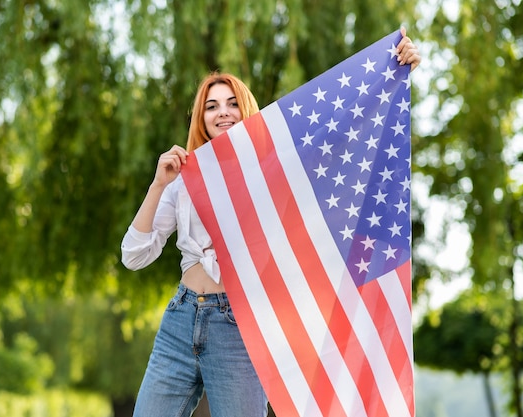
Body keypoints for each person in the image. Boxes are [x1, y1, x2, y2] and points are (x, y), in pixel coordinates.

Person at [121, 28, 421, 417]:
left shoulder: (275, 175)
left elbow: (342, 134)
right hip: (180, 319)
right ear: (201, 117)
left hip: (239, 327)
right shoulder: (184, 178)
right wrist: (160, 183)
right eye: (211, 106)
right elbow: (134, 256)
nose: (222, 112)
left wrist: (393, 70)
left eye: (231, 103)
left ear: (245, 110)